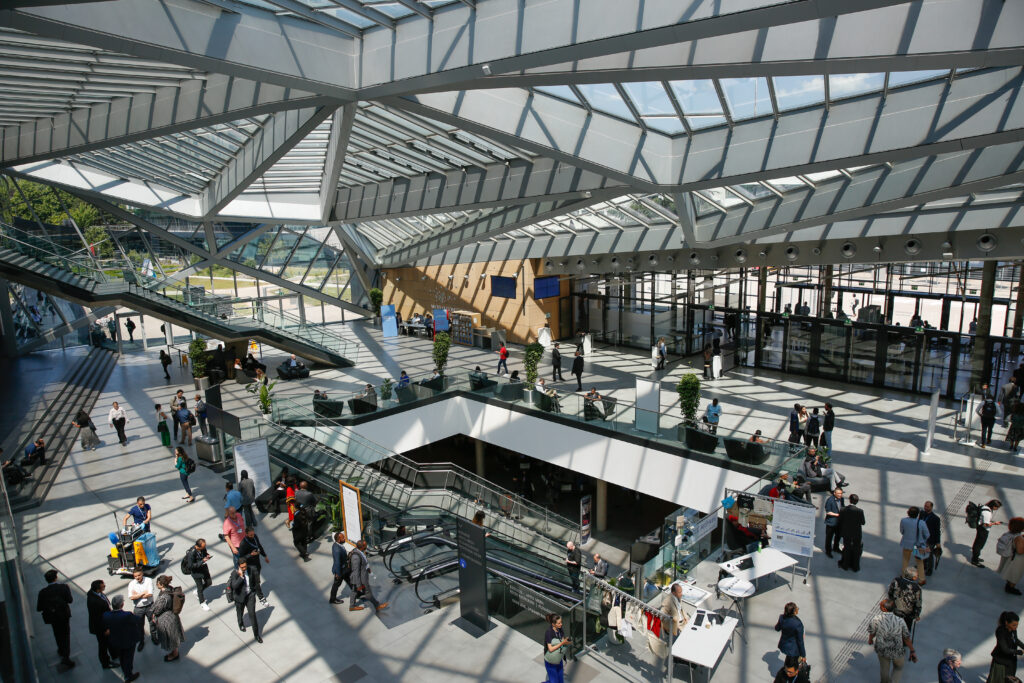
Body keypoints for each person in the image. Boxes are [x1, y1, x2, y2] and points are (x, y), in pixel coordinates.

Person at [868, 598, 915, 683]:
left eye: (881, 605)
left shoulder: (876, 619)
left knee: (884, 669)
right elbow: (906, 638)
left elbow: (872, 632)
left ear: (884, 609)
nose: (879, 606)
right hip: (897, 650)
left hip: (882, 650)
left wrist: (870, 639)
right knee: (898, 667)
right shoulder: (900, 620)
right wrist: (912, 650)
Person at [36, 569, 75, 670]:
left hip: (52, 617)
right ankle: (66, 657)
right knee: (66, 634)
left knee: (57, 633)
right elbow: (70, 600)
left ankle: (61, 650)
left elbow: (39, 608)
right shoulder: (63, 587)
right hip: (64, 615)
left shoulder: (43, 592)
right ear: (56, 578)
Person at [103, 595, 141, 681]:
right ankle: (128, 675)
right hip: (128, 640)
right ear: (122, 604)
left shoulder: (106, 615)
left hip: (116, 641)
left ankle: (125, 671)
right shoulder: (127, 615)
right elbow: (137, 620)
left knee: (122, 657)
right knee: (128, 658)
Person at [151, 575, 185, 662]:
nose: (156, 584)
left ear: (161, 585)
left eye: (157, 583)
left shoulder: (163, 597)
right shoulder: (170, 589)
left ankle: (175, 654)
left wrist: (153, 613)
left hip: (167, 620)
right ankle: (174, 652)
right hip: (172, 616)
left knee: (170, 638)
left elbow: (157, 610)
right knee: (173, 636)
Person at [348, 539, 388, 612]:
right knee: (368, 593)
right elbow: (356, 571)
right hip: (361, 579)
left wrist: (368, 569)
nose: (367, 546)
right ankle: (377, 605)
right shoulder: (356, 557)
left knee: (354, 591)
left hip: (359, 578)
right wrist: (359, 584)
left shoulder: (359, 552)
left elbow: (363, 564)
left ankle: (352, 606)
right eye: (366, 545)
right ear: (362, 547)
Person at [228, 560, 263, 643]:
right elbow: (234, 586)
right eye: (242, 567)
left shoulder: (252, 570)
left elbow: (256, 583)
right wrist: (241, 576)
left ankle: (256, 634)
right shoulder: (234, 573)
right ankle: (240, 624)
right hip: (239, 597)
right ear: (239, 566)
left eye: (245, 566)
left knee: (252, 615)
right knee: (240, 612)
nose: (244, 568)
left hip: (250, 596)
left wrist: (258, 595)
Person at [87, 579, 117, 669]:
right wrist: (105, 629)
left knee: (109, 641)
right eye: (103, 586)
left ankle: (114, 654)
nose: (105, 587)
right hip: (100, 627)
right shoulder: (94, 601)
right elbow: (97, 618)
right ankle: (105, 663)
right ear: (98, 589)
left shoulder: (97, 594)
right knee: (103, 645)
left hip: (105, 622)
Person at [988, 611, 1024, 681]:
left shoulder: (1013, 629)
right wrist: (1020, 652)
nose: (1016, 627)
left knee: (1010, 679)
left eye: (1017, 625)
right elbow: (1005, 649)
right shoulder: (1000, 631)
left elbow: (1016, 640)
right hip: (1001, 661)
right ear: (1007, 623)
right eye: (1014, 625)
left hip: (1010, 660)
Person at [237, 527, 269, 605]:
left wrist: (264, 556)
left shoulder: (255, 537)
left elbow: (259, 546)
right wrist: (250, 555)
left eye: (253, 534)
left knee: (253, 579)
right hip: (250, 564)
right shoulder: (243, 544)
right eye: (250, 535)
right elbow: (241, 558)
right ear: (246, 534)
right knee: (256, 581)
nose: (252, 536)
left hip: (257, 561)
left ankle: (251, 589)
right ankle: (261, 597)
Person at [128, 567, 157, 649]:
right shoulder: (131, 584)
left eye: (139, 575)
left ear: (142, 574)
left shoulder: (148, 580)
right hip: (138, 608)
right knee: (139, 626)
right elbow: (131, 597)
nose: (137, 577)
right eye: (135, 576)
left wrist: (137, 595)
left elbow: (150, 594)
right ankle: (141, 641)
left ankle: (154, 638)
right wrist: (143, 593)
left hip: (150, 606)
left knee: (153, 623)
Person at [899, 506, 929, 582]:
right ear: (917, 514)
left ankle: (904, 576)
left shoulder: (903, 521)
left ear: (908, 513)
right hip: (917, 545)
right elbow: (927, 534)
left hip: (907, 544)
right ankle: (921, 579)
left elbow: (902, 531)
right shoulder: (921, 523)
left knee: (905, 560)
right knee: (919, 561)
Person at [888, 567, 923, 632]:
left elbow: (890, 593)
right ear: (914, 578)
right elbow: (918, 603)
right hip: (908, 615)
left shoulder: (896, 580)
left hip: (895, 610)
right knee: (905, 631)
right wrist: (916, 615)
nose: (917, 577)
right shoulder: (917, 588)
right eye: (917, 575)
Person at [837, 493, 866, 571]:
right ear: (857, 501)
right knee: (857, 549)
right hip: (857, 534)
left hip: (846, 533)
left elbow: (840, 520)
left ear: (849, 500)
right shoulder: (860, 511)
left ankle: (845, 565)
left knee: (847, 548)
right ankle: (855, 567)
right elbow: (863, 522)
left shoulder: (843, 510)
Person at [972, 499, 1004, 566]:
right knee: (979, 545)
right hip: (983, 530)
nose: (997, 509)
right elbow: (985, 524)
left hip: (980, 528)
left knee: (978, 543)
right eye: (997, 507)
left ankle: (976, 557)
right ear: (993, 506)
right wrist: (995, 523)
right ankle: (975, 560)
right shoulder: (987, 513)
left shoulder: (984, 507)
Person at [184, 538, 213, 611]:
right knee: (199, 587)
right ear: (198, 546)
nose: (204, 547)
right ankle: (202, 602)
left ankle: (197, 592)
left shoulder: (202, 548)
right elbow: (191, 566)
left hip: (203, 568)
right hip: (196, 572)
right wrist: (202, 561)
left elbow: (204, 553)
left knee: (209, 582)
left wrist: (207, 555)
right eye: (203, 546)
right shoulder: (191, 553)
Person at [998, 517, 1024, 595]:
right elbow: (1020, 551)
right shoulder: (1018, 538)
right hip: (1017, 559)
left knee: (1009, 571)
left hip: (1010, 556)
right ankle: (1011, 588)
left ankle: (1008, 584)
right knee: (1015, 574)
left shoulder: (1010, 533)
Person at [543, 613, 570, 683]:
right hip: (550, 662)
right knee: (554, 682)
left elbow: (563, 640)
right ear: (553, 624)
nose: (561, 624)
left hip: (558, 659)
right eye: (559, 623)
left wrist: (567, 641)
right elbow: (550, 649)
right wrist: (562, 643)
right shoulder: (549, 632)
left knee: (560, 681)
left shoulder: (560, 630)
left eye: (561, 622)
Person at [920, 500, 942, 576]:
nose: (925, 508)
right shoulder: (922, 514)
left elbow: (937, 531)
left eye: (927, 506)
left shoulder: (936, 518)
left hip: (930, 540)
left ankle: (929, 569)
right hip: (921, 538)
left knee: (929, 555)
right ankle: (923, 565)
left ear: (931, 507)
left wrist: (938, 542)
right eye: (925, 506)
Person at [329, 532, 350, 605]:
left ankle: (357, 593)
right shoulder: (337, 550)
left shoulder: (337, 545)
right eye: (343, 538)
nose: (344, 539)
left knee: (350, 580)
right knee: (336, 584)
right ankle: (332, 599)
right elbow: (337, 562)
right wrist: (337, 573)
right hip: (340, 571)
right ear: (338, 540)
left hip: (344, 569)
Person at [823, 487, 844, 558]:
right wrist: (837, 515)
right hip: (831, 522)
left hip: (839, 522)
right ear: (834, 493)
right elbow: (828, 512)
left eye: (841, 493)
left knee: (838, 536)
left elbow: (842, 507)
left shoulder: (842, 499)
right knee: (829, 538)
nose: (840, 495)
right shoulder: (830, 500)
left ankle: (836, 548)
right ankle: (828, 551)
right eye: (838, 493)